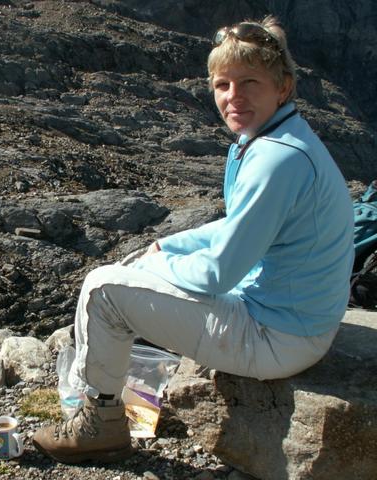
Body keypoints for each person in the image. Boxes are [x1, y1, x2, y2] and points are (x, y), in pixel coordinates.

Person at [32, 16, 355, 464]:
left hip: (277, 337)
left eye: (249, 82)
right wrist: (168, 247)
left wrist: (151, 266)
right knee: (140, 267)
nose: (233, 96)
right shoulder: (279, 138)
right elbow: (237, 226)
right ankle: (115, 396)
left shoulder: (275, 160)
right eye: (223, 84)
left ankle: (99, 424)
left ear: (283, 87)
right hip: (298, 318)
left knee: (103, 288)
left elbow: (218, 272)